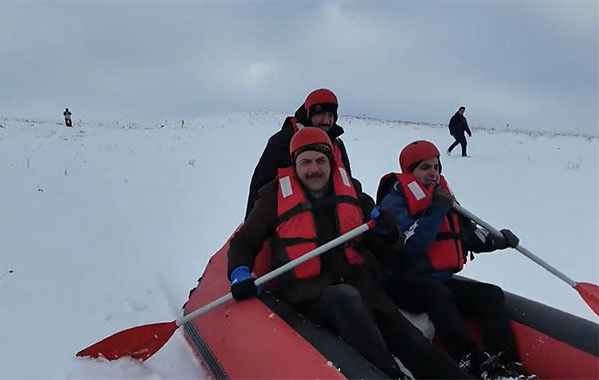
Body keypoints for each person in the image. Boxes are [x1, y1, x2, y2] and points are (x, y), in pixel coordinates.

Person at [229, 128, 472, 380]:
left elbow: (386, 243)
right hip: (308, 293)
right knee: (345, 298)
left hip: (360, 284)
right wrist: (239, 271)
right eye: (306, 162)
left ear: (331, 161)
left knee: (408, 337)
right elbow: (245, 242)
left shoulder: (352, 191)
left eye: (321, 160)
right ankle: (390, 374)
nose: (314, 169)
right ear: (295, 164)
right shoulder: (274, 196)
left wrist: (387, 231)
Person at [374, 140, 535, 379]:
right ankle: (469, 358)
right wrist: (437, 210)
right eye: (425, 167)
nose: (433, 173)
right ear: (410, 171)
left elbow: (467, 237)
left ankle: (507, 364)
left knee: (490, 294)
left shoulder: (442, 197)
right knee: (437, 293)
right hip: (403, 284)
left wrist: (497, 241)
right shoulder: (395, 200)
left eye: (436, 167)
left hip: (437, 280)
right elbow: (409, 246)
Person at [245, 88, 352, 218]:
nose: (327, 121)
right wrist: (252, 220)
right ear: (308, 114)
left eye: (331, 115)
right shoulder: (283, 141)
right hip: (290, 219)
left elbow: (348, 181)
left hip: (332, 220)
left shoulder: (337, 145)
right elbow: (260, 184)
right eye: (321, 114)